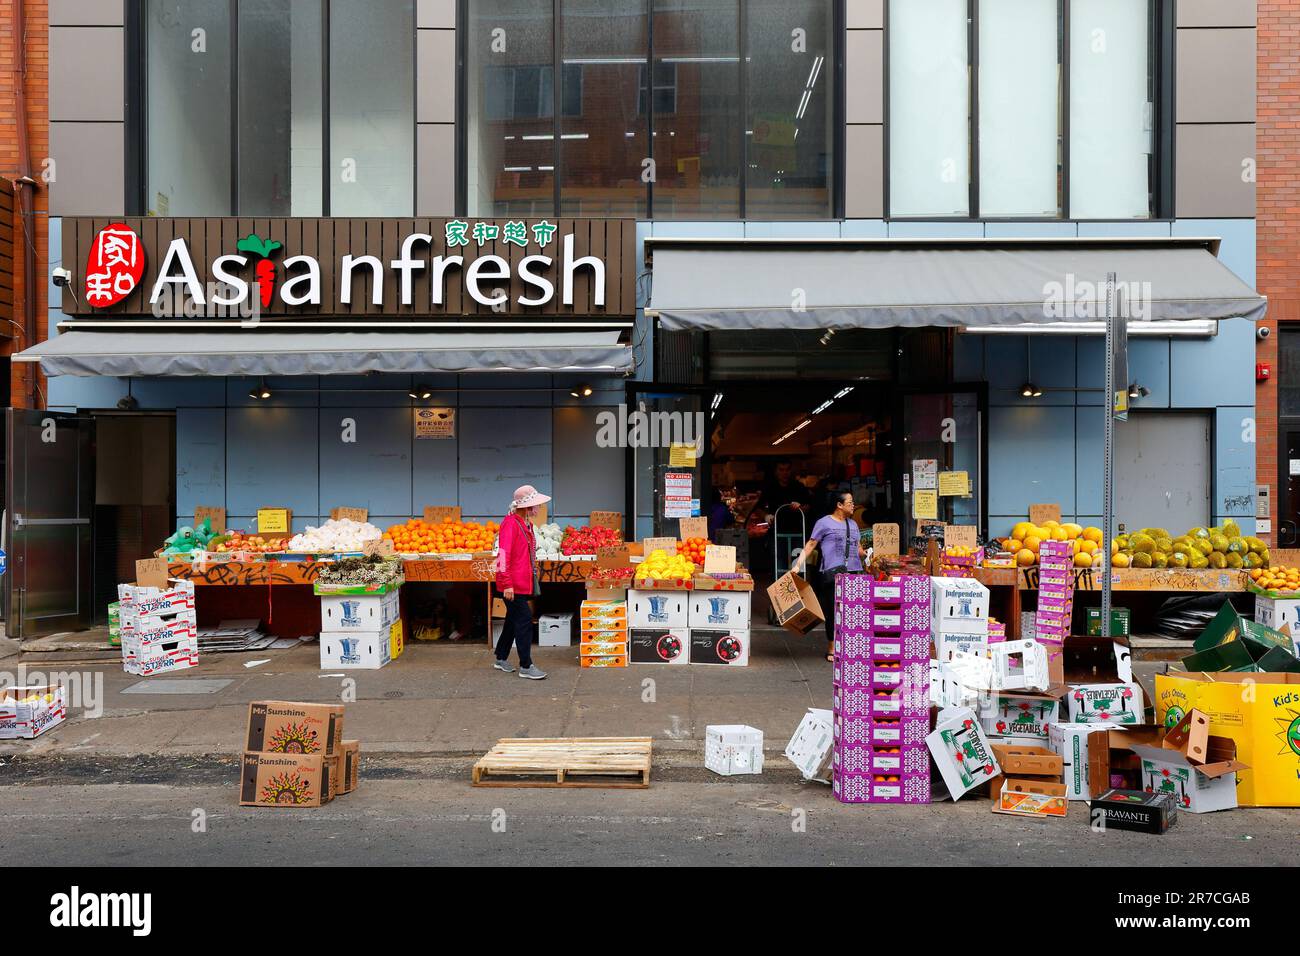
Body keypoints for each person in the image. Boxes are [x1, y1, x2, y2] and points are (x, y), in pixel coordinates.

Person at [793, 491, 866, 662]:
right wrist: (798, 565)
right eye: (850, 502)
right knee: (833, 611)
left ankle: (850, 647)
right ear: (839, 505)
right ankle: (832, 648)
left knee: (853, 612)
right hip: (832, 573)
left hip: (854, 571)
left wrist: (872, 556)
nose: (853, 505)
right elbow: (811, 544)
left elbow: (859, 548)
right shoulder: (824, 523)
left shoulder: (853, 524)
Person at [492, 484, 550, 680]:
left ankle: (500, 657)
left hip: (519, 583)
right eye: (537, 505)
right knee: (524, 619)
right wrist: (506, 583)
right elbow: (503, 555)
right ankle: (526, 665)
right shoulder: (510, 524)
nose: (539, 508)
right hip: (512, 585)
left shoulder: (526, 524)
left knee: (513, 619)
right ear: (527, 507)